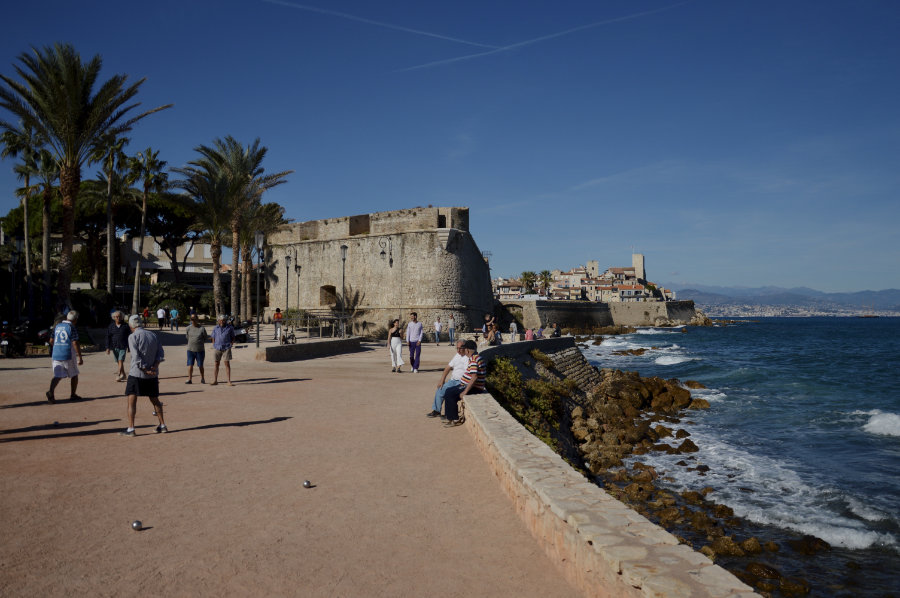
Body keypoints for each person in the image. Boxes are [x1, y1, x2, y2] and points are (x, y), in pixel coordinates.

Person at [119, 314, 167, 436]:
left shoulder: (132, 336)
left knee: (131, 400)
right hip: (152, 374)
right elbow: (160, 353)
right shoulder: (153, 335)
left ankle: (131, 429)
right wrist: (154, 367)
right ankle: (162, 425)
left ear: (130, 325)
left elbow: (135, 356)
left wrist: (145, 369)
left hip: (137, 373)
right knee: (155, 400)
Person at [443, 340, 486, 427]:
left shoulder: (474, 360)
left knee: (450, 393)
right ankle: (450, 417)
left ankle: (454, 419)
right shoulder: (476, 357)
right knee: (449, 390)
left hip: (474, 387)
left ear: (467, 350)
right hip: (470, 385)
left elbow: (474, 377)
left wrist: (465, 391)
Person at [46, 310, 84, 403]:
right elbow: (75, 342)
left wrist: (58, 346)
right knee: (74, 374)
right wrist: (80, 356)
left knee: (57, 376)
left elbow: (51, 340)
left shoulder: (57, 326)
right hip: (68, 354)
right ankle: (73, 394)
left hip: (56, 354)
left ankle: (51, 391)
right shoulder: (71, 327)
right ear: (75, 319)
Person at [426, 340, 467, 418]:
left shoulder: (467, 357)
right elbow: (448, 367)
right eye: (457, 348)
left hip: (462, 382)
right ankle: (436, 410)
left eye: (460, 348)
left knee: (449, 393)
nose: (458, 350)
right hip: (453, 380)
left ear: (465, 348)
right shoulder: (457, 355)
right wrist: (442, 380)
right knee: (440, 389)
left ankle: (448, 414)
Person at [106, 310, 131, 382]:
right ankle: (124, 374)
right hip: (114, 346)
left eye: (120, 316)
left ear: (122, 317)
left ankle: (119, 374)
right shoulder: (111, 326)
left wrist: (129, 347)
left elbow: (129, 337)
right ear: (114, 317)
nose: (118, 318)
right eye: (116, 317)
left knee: (120, 360)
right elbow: (108, 337)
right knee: (119, 361)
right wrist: (107, 347)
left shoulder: (126, 326)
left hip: (123, 346)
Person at [210, 314, 235, 386]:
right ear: (218, 320)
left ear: (225, 320)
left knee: (227, 364)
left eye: (223, 320)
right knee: (216, 364)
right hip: (217, 348)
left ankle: (229, 381)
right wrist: (214, 344)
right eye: (220, 320)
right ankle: (215, 380)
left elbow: (233, 337)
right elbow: (213, 337)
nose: (222, 321)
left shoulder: (230, 328)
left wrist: (231, 344)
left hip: (226, 348)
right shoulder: (215, 328)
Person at [185, 314, 209, 384]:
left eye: (194, 319)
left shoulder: (202, 328)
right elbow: (187, 337)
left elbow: (205, 338)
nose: (193, 321)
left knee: (200, 365)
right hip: (190, 350)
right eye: (192, 319)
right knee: (190, 365)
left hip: (200, 350)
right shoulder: (188, 328)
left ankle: (202, 378)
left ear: (197, 320)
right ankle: (189, 379)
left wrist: (199, 342)